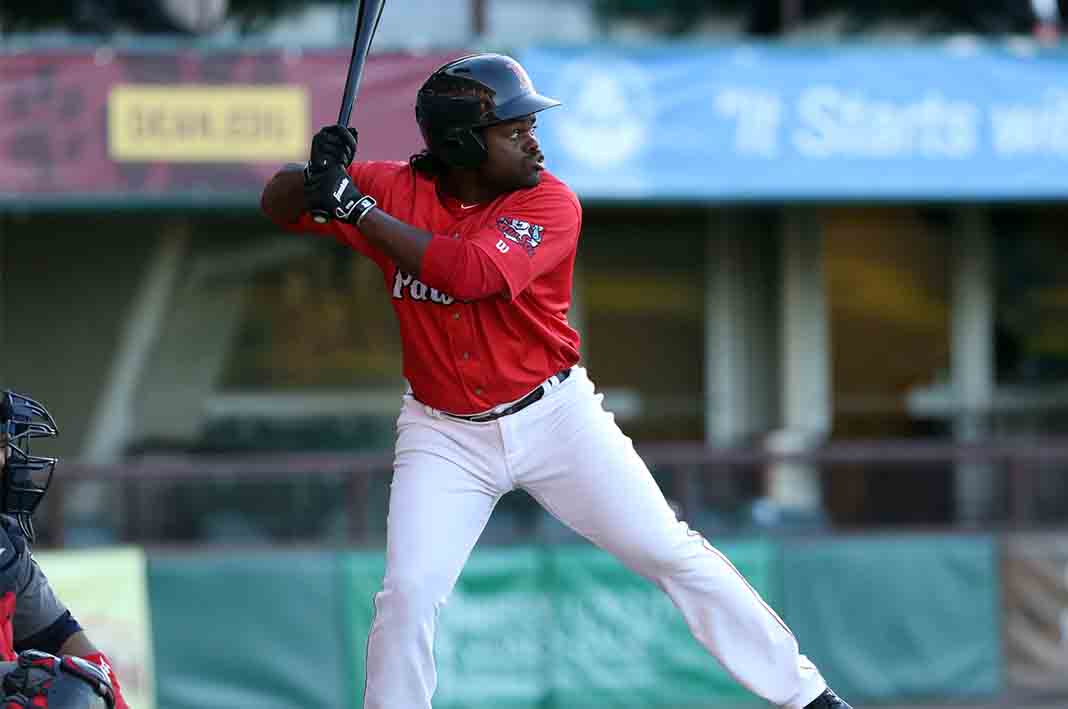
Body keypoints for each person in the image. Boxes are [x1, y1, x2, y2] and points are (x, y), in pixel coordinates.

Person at [262, 52, 852, 709]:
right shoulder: (391, 190)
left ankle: (808, 697)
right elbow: (275, 204)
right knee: (407, 595)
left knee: (668, 550)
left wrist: (356, 210)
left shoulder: (549, 201)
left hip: (554, 418)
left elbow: (469, 274)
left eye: (530, 127)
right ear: (461, 145)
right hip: (443, 432)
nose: (534, 142)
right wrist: (315, 179)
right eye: (514, 131)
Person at [0, 391, 127, 709]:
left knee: (75, 686)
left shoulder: (6, 549)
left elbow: (69, 644)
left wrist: (98, 691)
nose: (4, 459)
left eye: (2, 445)